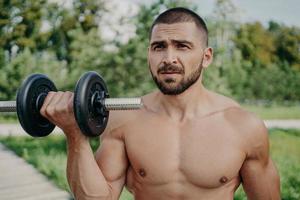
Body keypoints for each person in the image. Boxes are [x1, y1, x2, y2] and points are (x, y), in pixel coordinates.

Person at [40, 7, 281, 200]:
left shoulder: (244, 126)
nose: (168, 58)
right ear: (149, 54)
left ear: (206, 57)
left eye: (182, 46)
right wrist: (75, 134)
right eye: (159, 47)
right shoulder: (124, 120)